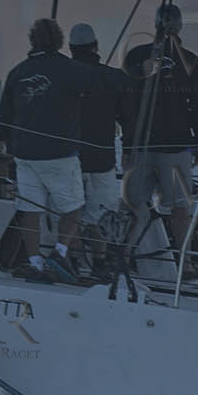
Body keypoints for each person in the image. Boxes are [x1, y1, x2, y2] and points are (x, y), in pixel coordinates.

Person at [0, 16, 92, 283]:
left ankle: (35, 262)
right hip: (60, 154)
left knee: (30, 209)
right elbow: (94, 86)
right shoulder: (71, 69)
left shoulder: (18, 72)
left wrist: (0, 138)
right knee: (73, 207)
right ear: (59, 41)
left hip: (25, 155)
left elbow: (5, 112)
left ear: (32, 40)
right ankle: (59, 254)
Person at [122, 2, 198, 260]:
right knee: (180, 209)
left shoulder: (136, 57)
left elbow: (127, 105)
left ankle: (122, 256)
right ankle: (184, 260)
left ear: (156, 26)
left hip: (142, 147)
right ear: (180, 26)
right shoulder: (191, 61)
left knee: (133, 207)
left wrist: (127, 146)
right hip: (176, 146)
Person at [67, 22, 135, 243]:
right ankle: (100, 261)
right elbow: (129, 119)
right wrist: (128, 149)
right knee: (102, 215)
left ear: (70, 48)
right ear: (96, 46)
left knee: (71, 213)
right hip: (101, 159)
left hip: (67, 159)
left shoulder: (62, 77)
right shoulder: (114, 78)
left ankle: (72, 260)